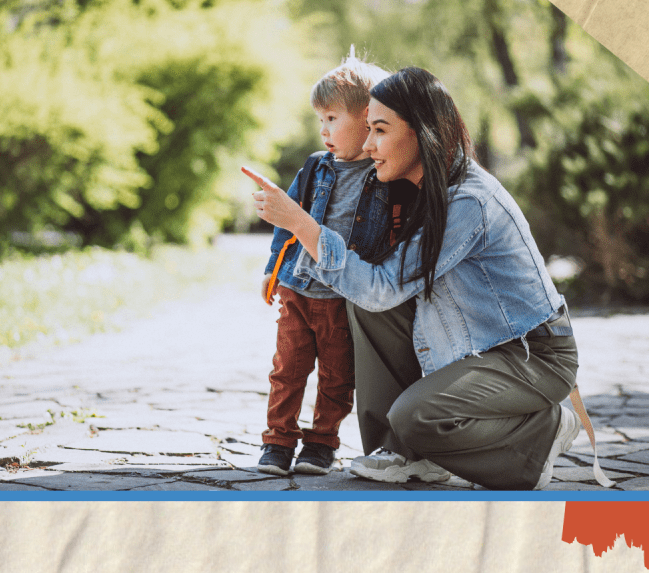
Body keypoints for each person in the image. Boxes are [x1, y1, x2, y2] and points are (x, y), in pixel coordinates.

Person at [244, 66, 581, 491]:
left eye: (380, 131)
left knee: (416, 415)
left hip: (529, 354)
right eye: (365, 129)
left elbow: (383, 287)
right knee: (363, 305)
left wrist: (301, 224)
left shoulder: (467, 202)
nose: (367, 145)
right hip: (476, 347)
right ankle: (401, 454)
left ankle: (541, 434)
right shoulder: (418, 189)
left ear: (423, 133)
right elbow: (376, 286)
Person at [255, 52, 391, 477]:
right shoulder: (316, 167)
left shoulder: (382, 173)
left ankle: (320, 443)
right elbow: (286, 219)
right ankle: (277, 441)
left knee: (337, 376)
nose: (324, 130)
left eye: (332, 118)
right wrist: (272, 268)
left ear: (367, 118)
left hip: (341, 298)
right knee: (287, 368)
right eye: (321, 120)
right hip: (298, 288)